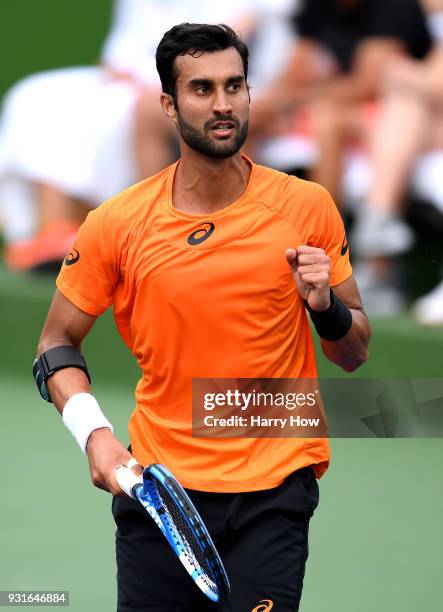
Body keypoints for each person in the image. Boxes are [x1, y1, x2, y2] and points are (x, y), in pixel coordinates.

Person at [34, 24, 371, 611]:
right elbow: (56, 346)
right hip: (160, 497)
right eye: (201, 88)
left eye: (235, 85)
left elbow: (354, 350)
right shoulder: (117, 223)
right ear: (169, 103)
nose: (222, 104)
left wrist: (325, 306)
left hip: (274, 491)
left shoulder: (307, 206)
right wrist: (95, 436)